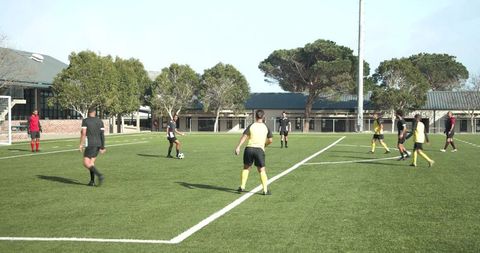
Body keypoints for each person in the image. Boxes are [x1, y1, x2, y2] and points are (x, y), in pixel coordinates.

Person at [235, 109, 273, 195]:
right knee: (261, 170)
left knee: (246, 168)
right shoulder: (266, 127)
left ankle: (242, 186)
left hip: (249, 149)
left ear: (255, 116)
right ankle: (265, 190)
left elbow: (244, 136)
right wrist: (264, 145)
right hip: (259, 150)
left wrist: (238, 147)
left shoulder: (251, 126)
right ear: (263, 117)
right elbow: (270, 140)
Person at [79, 108, 106, 186]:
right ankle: (92, 181)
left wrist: (81, 144)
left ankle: (99, 175)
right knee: (91, 163)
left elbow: (83, 133)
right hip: (98, 144)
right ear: (95, 113)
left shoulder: (85, 121)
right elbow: (102, 135)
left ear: (88, 112)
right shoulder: (100, 121)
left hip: (90, 144)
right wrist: (102, 147)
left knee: (86, 163)